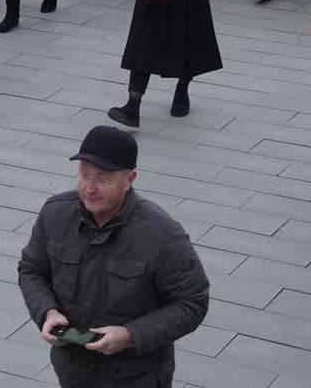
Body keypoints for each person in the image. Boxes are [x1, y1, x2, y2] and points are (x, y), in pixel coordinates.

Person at [16, 125, 210, 388]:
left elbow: (192, 303)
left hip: (136, 377)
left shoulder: (162, 235)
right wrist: (47, 312)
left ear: (130, 178)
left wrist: (130, 335)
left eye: (102, 179)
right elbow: (31, 269)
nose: (89, 188)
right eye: (83, 175)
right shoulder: (56, 214)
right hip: (73, 372)